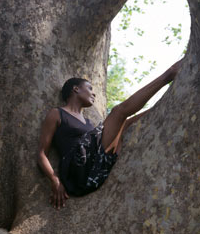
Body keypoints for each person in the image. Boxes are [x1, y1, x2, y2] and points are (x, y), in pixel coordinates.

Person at [37, 60, 182, 209]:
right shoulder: (57, 113)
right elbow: (42, 153)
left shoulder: (88, 123)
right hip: (77, 170)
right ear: (76, 89)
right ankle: (168, 75)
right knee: (118, 112)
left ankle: (170, 101)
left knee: (126, 123)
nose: (93, 93)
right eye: (89, 88)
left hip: (95, 169)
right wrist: (55, 181)